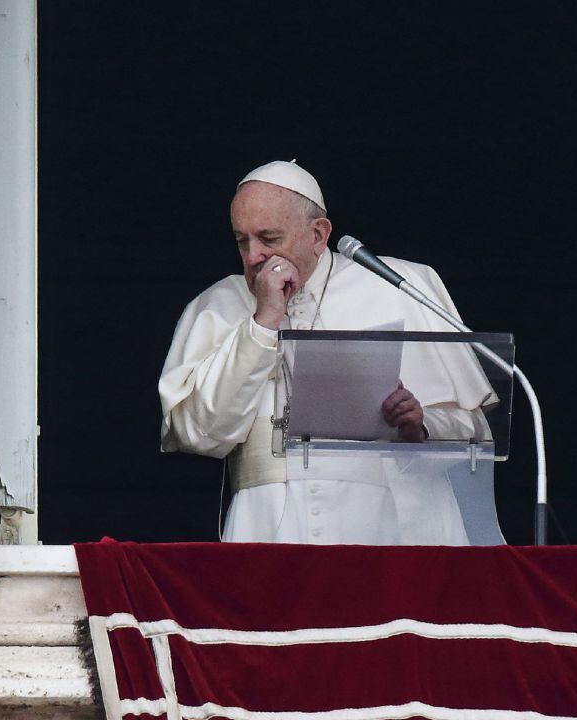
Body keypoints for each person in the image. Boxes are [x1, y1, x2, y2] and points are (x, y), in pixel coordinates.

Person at [159, 160, 493, 545]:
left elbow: (476, 429)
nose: (253, 257)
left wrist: (421, 425)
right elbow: (198, 433)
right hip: (267, 529)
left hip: (392, 529)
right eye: (241, 241)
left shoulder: (398, 286)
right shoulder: (217, 305)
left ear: (318, 235)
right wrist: (262, 324)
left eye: (269, 239)